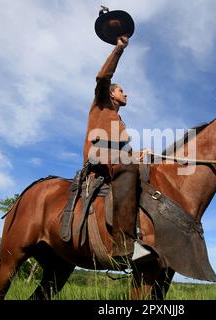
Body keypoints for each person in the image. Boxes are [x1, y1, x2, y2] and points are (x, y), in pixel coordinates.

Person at [83, 35, 149, 258]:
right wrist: (119, 48)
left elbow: (124, 153)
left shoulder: (119, 122)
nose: (126, 93)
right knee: (129, 167)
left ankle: (143, 232)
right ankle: (124, 245)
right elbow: (103, 76)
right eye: (122, 91)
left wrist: (141, 154)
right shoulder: (101, 102)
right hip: (97, 155)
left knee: (147, 168)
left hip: (114, 159)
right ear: (112, 93)